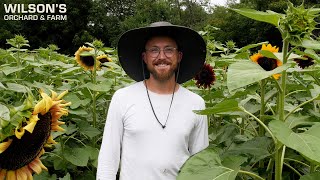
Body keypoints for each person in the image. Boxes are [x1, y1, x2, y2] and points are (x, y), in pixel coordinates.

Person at [97, 21, 209, 180]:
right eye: (154, 50)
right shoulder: (123, 98)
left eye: (169, 50)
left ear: (179, 56)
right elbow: (109, 157)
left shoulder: (196, 103)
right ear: (145, 57)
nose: (162, 57)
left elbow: (201, 162)